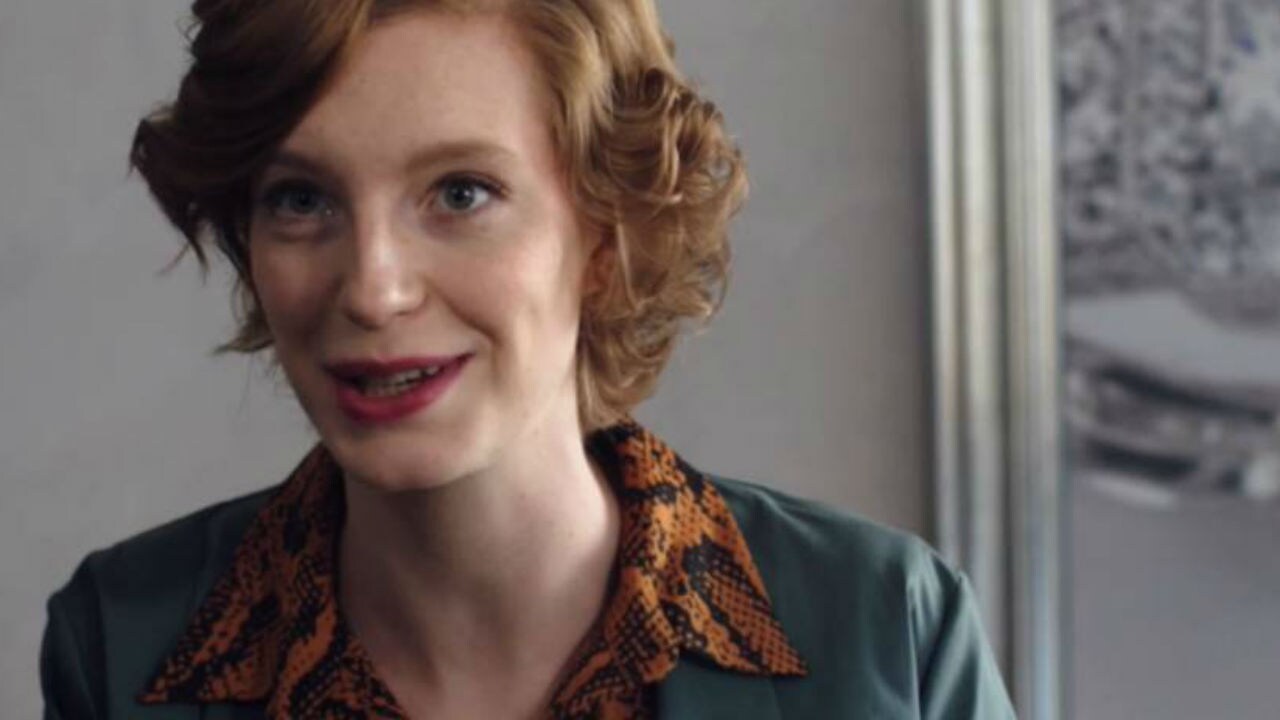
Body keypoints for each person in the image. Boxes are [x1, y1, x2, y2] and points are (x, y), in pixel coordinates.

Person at [39, 1, 1015, 718]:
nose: (372, 288)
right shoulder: (122, 647)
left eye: (460, 193)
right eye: (301, 200)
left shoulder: (884, 632)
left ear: (605, 235)